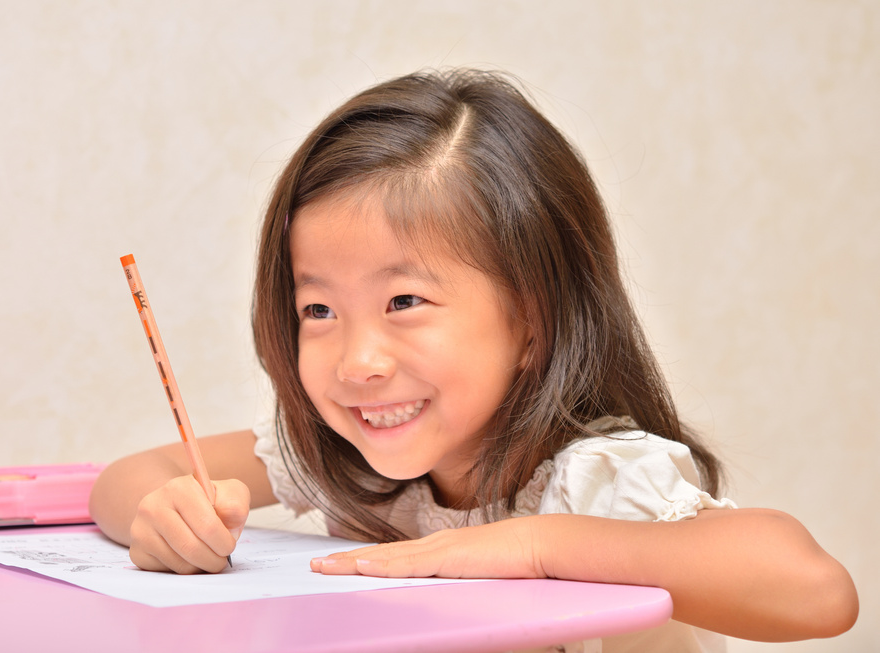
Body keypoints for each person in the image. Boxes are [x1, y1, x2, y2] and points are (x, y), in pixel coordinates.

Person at [89, 69, 857, 651]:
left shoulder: (593, 478)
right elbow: (129, 478)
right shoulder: (345, 454)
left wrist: (533, 546)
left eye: (405, 303)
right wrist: (167, 518)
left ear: (531, 317)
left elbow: (816, 591)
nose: (358, 361)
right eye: (318, 310)